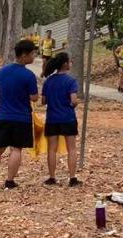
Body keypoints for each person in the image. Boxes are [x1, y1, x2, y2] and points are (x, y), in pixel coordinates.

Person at [0, 39, 39, 190]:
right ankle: (9, 181)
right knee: (16, 149)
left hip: (3, 116)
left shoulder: (2, 71)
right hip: (21, 118)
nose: (33, 57)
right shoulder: (28, 76)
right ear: (24, 55)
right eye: (32, 54)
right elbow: (34, 97)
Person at [41, 52, 81, 186]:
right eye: (69, 61)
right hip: (68, 118)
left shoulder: (49, 81)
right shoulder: (71, 81)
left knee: (52, 148)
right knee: (71, 148)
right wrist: (74, 104)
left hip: (52, 118)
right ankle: (72, 177)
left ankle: (52, 177)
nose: (70, 64)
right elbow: (74, 100)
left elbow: (43, 101)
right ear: (65, 64)